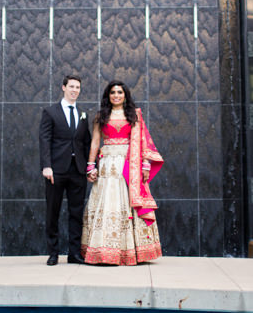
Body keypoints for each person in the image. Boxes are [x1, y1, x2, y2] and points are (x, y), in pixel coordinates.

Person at [81, 80, 162, 265]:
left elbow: (142, 142)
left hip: (129, 165)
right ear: (108, 96)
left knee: (128, 204)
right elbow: (95, 141)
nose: (116, 95)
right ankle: (103, 250)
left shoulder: (134, 115)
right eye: (112, 92)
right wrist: (90, 165)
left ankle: (132, 251)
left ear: (125, 95)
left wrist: (145, 165)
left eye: (119, 92)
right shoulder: (101, 116)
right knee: (108, 203)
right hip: (108, 165)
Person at [39, 75, 92, 266]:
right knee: (52, 212)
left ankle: (74, 253)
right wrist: (46, 166)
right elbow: (44, 140)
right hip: (56, 171)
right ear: (63, 87)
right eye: (71, 86)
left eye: (78, 87)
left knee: (76, 213)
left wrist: (89, 166)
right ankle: (53, 253)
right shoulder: (50, 112)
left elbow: (86, 142)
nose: (74, 90)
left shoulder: (83, 114)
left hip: (77, 171)